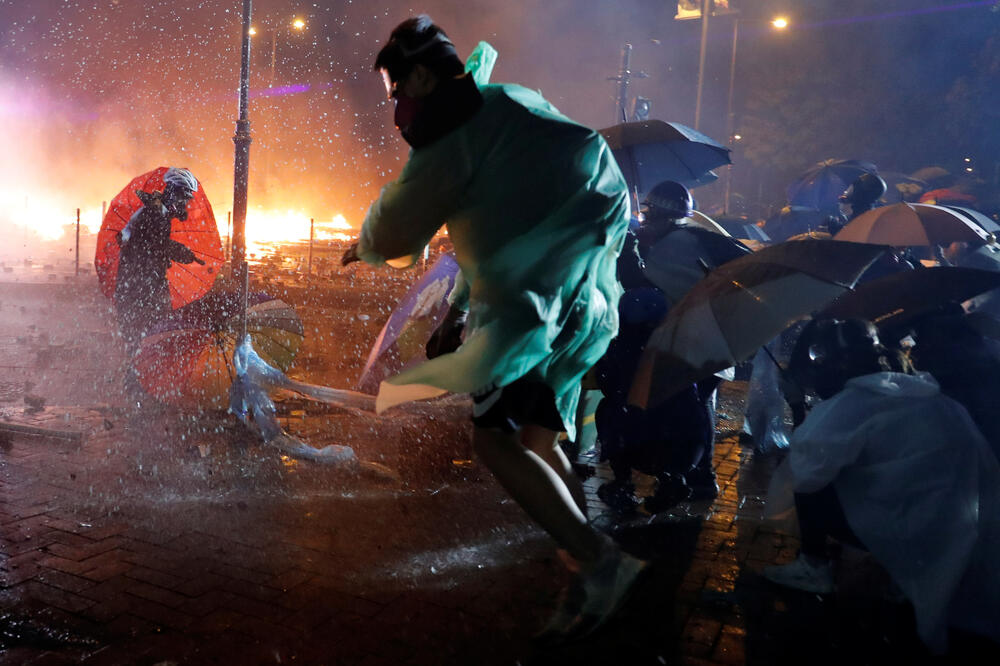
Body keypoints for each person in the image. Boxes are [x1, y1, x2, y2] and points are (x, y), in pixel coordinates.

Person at [342, 16, 639, 639]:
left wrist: (362, 244)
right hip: (577, 298)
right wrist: (458, 308)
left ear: (422, 75)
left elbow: (396, 230)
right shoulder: (509, 102)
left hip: (529, 312)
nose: (396, 108)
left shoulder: (455, 143)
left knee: (495, 441)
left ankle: (597, 560)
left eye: (397, 91)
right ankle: (581, 546)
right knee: (536, 434)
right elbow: (502, 220)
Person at [763, 318, 1000, 653]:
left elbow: (807, 463)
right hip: (962, 525)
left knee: (812, 480)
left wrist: (797, 404)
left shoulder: (856, 402)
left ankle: (814, 566)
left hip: (916, 529)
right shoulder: (920, 388)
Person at [595, 181, 745, 513]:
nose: (647, 222)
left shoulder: (675, 246)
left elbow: (648, 295)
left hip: (686, 349)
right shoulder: (693, 239)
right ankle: (693, 477)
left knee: (683, 414)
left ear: (665, 216)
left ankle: (690, 477)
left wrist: (632, 264)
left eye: (652, 216)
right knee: (694, 412)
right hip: (701, 347)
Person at [114, 167, 204, 349]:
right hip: (141, 288)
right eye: (184, 198)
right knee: (150, 339)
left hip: (140, 286)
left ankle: (140, 370)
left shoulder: (157, 213)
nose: (185, 204)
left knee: (146, 340)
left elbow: (155, 246)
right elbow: (155, 246)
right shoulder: (154, 216)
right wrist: (182, 253)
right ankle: (139, 373)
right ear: (172, 193)